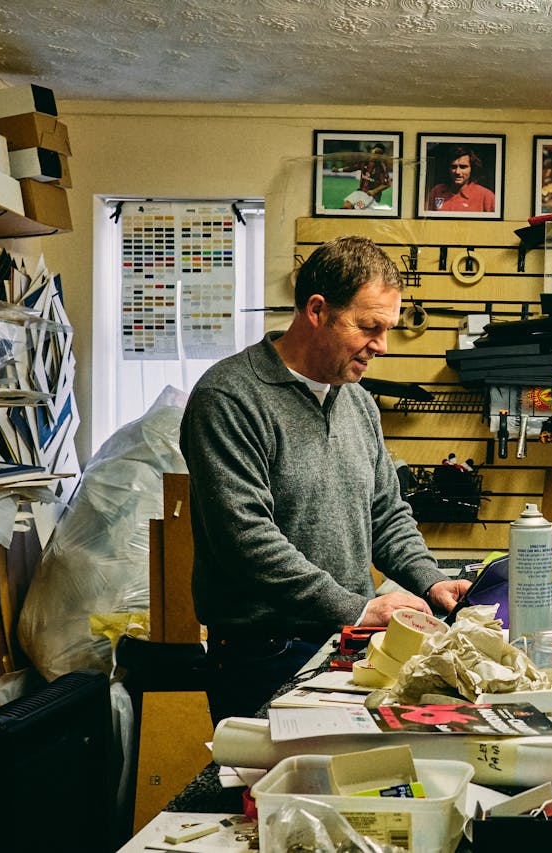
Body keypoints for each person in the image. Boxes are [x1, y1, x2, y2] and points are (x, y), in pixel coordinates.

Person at [181, 235, 471, 724]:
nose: (381, 345)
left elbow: (385, 512)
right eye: (369, 327)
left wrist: (432, 580)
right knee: (274, 794)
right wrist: (358, 608)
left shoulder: (354, 398)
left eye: (388, 328)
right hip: (264, 655)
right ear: (317, 310)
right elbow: (248, 543)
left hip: (346, 641)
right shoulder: (228, 398)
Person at [426, 145, 496, 213]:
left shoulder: (486, 196)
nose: (457, 172)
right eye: (453, 167)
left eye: (463, 167)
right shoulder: (437, 191)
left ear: (472, 169)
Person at [339, 143, 392, 210]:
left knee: (355, 209)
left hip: (371, 196)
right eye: (375, 152)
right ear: (371, 151)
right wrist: (339, 170)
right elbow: (352, 168)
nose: (376, 155)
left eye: (379, 153)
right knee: (346, 206)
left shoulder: (381, 167)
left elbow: (388, 184)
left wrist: (374, 191)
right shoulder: (365, 162)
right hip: (359, 191)